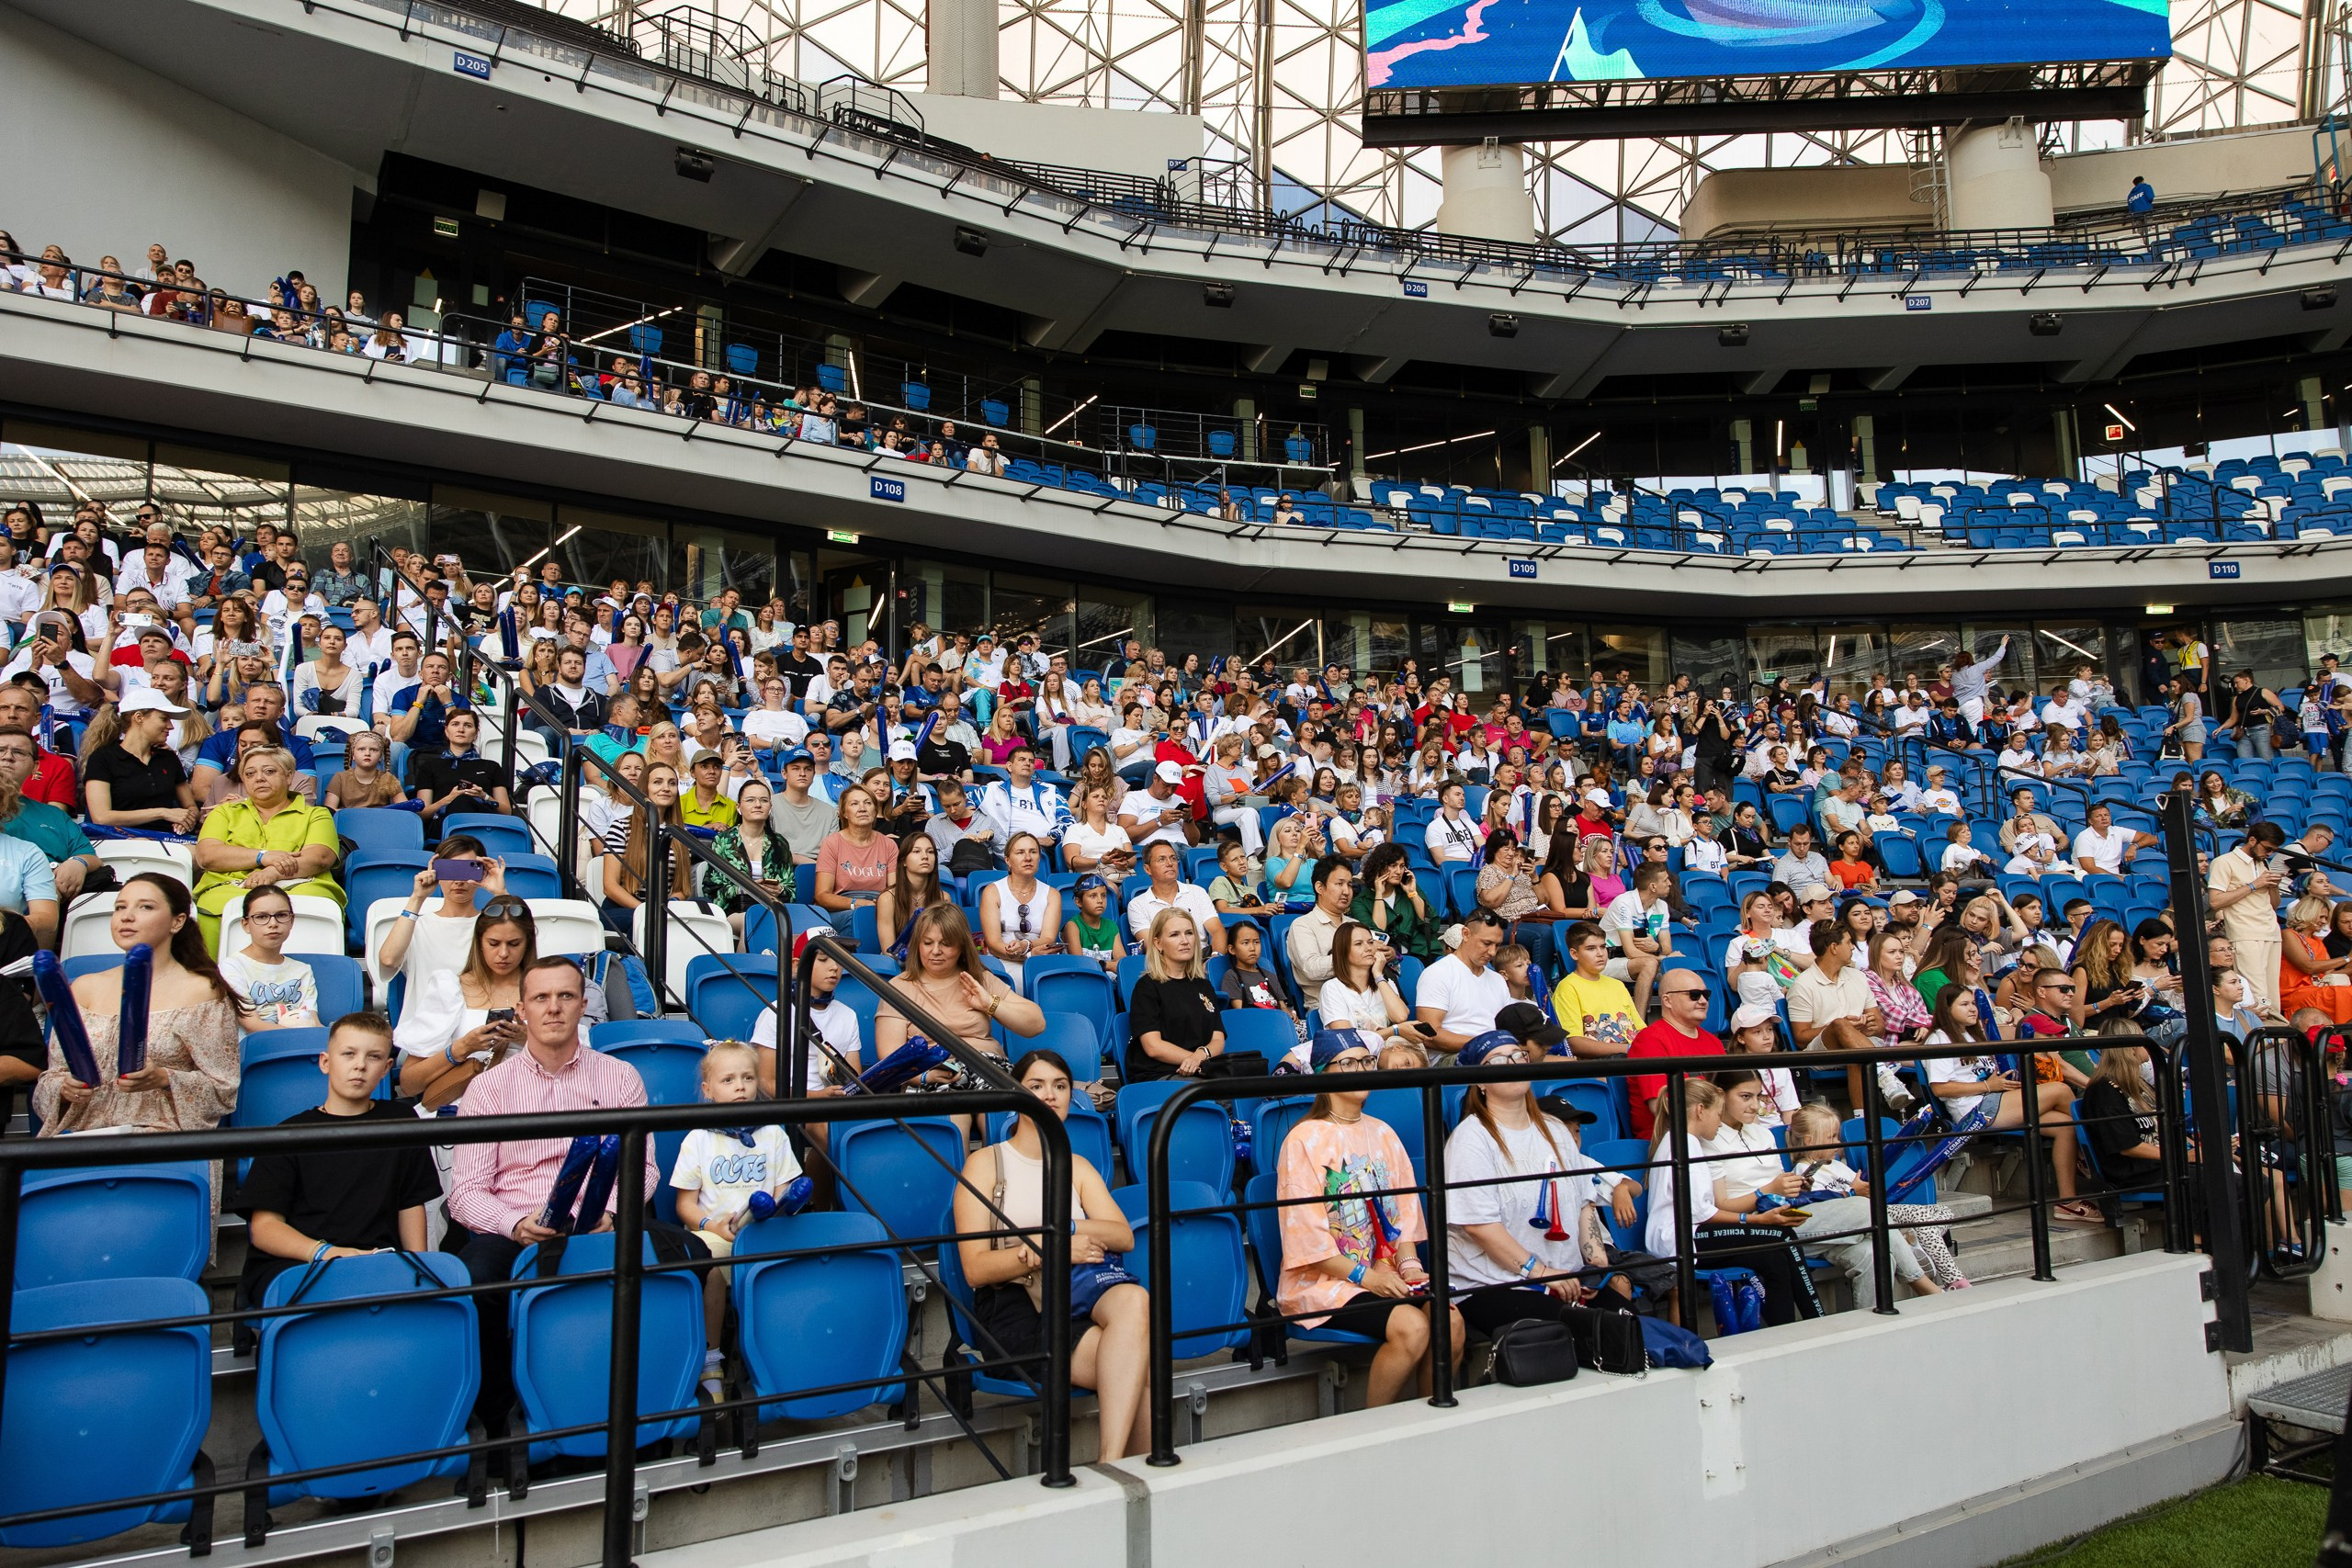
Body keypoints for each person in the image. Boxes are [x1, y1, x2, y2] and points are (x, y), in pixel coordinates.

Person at [445, 957, 683, 1427]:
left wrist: (611, 1212)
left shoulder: (619, 1077)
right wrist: (513, 1224)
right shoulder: (489, 1089)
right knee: (477, 1278)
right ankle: (497, 1422)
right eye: (541, 998)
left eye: (566, 996)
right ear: (522, 1011)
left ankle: (656, 1398)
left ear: (583, 1005)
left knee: (686, 1255)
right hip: (518, 1226)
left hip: (599, 1221)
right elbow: (466, 1192)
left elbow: (644, 1168)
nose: (553, 1008)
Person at [953, 1049, 1151, 1461]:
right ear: (1015, 1093)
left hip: (1076, 1295)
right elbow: (974, 1269)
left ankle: (1112, 1466)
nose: (1050, 1095)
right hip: (1014, 1309)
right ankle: (1129, 1475)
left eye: (1060, 1086)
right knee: (1139, 1369)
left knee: (1135, 1299)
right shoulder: (985, 1164)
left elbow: (1122, 1236)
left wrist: (1069, 1229)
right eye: (1036, 1085)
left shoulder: (1077, 1166)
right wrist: (1052, 1248)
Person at [1274, 1030, 1462, 1407]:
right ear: (1324, 1074)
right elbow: (1307, 1241)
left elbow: (1405, 1214)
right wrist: (1368, 1278)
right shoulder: (1303, 1139)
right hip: (1327, 1281)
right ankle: (1375, 1426)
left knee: (1452, 1323)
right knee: (1412, 1328)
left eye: (1365, 1061)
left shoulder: (1383, 1132)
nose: (1360, 1069)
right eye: (1347, 1063)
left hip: (1387, 1272)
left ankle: (1432, 1420)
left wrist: (1408, 1267)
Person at [232, 1011, 441, 1310]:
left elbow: (409, 1204)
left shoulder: (401, 1120)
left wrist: (417, 1270)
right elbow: (265, 1228)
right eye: (348, 1054)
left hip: (375, 1259)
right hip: (299, 1263)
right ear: (325, 1062)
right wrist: (328, 1253)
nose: (359, 1065)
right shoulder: (287, 1134)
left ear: (386, 1068)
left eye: (373, 1057)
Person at [33, 874, 244, 1161]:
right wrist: (64, 1088)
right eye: (120, 907)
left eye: (145, 907)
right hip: (81, 1139)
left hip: (163, 1144)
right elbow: (51, 1077)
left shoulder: (202, 992)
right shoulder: (83, 987)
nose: (127, 917)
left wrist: (163, 1078)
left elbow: (223, 1089)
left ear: (177, 921)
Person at [1443, 1030, 1626, 1334]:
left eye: (1518, 1056)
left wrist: (1595, 1265)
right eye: (1498, 1061)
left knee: (1629, 1322)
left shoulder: (1555, 1129)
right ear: (1480, 1081)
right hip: (1494, 1285)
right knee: (1592, 1333)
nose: (1513, 1064)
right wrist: (1540, 1272)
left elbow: (1584, 1202)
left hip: (1565, 1276)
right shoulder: (1470, 1139)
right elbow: (1479, 1226)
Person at [1705, 1070, 1939, 1301]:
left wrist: (1797, 1187)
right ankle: (1922, 1284)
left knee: (1874, 1252)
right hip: (1758, 1224)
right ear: (1721, 1094)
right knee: (1863, 1207)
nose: (1755, 1106)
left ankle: (1870, 1327)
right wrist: (1768, 1191)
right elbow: (1719, 1207)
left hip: (1790, 1213)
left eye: (1759, 1097)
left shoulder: (1763, 1135)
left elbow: (1780, 1190)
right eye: (1746, 1097)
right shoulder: (1709, 1140)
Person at [670, 1041, 803, 1399]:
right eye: (728, 1080)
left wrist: (782, 1204)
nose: (740, 1086)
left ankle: (776, 1356)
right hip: (713, 1234)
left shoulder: (773, 1133)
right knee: (709, 1271)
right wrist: (710, 1225)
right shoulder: (698, 1138)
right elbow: (685, 1205)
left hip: (762, 1229)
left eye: (747, 1077)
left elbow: (782, 1188)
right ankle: (712, 1359)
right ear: (708, 1090)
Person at [1645, 1079, 1818, 1329]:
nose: (1719, 1121)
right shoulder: (1683, 1144)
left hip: (1693, 1234)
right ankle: (1815, 1320)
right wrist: (1757, 1220)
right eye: (1717, 1114)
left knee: (1774, 1259)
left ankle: (1785, 1331)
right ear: (1699, 1110)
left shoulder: (1688, 1141)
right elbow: (1702, 1213)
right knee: (1783, 1235)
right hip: (1682, 1239)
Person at [1919, 987, 2098, 1221]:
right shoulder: (1939, 1039)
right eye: (1964, 1005)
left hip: (1995, 1099)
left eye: (1973, 1003)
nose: (1973, 1008)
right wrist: (1987, 1087)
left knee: (2065, 1126)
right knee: (2060, 1089)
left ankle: (2067, 1203)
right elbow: (1940, 1088)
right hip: (1975, 1109)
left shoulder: (1974, 1035)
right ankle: (2094, 1140)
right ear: (1946, 1008)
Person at [394, 895, 544, 1110]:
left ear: (528, 943)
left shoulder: (548, 991)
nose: (503, 953)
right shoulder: (450, 988)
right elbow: (409, 1084)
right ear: (479, 942)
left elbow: (578, 1064)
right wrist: (462, 1048)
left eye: (514, 944)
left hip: (534, 1108)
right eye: (494, 943)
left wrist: (529, 1039)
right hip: (464, 1112)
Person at [192, 747, 342, 952]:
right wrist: (264, 857)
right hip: (230, 888)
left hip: (300, 886)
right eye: (250, 774)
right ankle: (214, 981)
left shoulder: (315, 814)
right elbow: (207, 856)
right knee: (215, 905)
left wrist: (273, 872)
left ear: (289, 776)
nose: (259, 778)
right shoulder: (225, 812)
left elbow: (319, 858)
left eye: (269, 771)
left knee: (312, 905)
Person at [81, 688, 202, 835]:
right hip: (118, 839)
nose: (170, 726)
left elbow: (190, 806)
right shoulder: (103, 758)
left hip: (168, 840)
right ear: (139, 718)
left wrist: (186, 820)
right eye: (164, 719)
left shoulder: (169, 758)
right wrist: (162, 813)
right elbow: (101, 817)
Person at [1124, 908, 1226, 1081]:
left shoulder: (1204, 985)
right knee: (1220, 1097)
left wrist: (1200, 1056)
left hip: (1200, 1070)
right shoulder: (1147, 987)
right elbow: (1153, 1047)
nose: (1185, 941)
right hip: (1160, 1074)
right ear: (1158, 944)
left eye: (1189, 933)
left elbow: (1218, 1038)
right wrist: (1195, 1061)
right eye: (1174, 935)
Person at [1624, 968, 1723, 1139]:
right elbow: (1661, 1107)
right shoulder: (1650, 1040)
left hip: (1714, 1134)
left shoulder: (1714, 1042)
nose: (1702, 1000)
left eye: (1706, 995)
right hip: (1673, 1139)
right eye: (1694, 994)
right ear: (1667, 1000)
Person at [2211, 823, 2289, 1018]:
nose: (2269, 854)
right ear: (2252, 840)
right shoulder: (2224, 862)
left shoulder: (2263, 863)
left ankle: (2276, 1040)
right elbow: (2215, 901)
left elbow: (2274, 904)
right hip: (2245, 933)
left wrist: (2273, 886)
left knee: (2272, 995)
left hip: (2271, 932)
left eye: (2273, 851)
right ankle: (2261, 1040)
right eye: (2267, 848)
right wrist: (2254, 885)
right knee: (2258, 994)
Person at [218, 884, 321, 1030]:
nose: (273, 924)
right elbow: (252, 1024)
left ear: (291, 921)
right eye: (261, 917)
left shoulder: (303, 970)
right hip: (257, 1048)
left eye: (281, 915)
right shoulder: (232, 966)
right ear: (245, 924)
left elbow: (312, 1021)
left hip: (300, 1046)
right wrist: (300, 1037)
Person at [1414, 908, 1511, 1055]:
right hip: (1451, 1056)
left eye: (1497, 945)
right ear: (1465, 934)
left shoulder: (1498, 979)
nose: (1492, 952)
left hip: (1497, 1053)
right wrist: (1486, 1044)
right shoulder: (1437, 973)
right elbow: (1429, 1036)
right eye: (1487, 943)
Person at [812, 786, 898, 940]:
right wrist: (856, 903)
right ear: (844, 813)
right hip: (843, 908)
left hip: (881, 905)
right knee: (860, 918)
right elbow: (822, 895)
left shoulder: (889, 845)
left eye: (868, 803)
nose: (862, 808)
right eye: (854, 804)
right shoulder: (832, 843)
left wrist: (882, 905)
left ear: (875, 809)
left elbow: (894, 890)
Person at [979, 831, 1061, 991]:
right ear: (1008, 861)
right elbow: (994, 944)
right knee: (1022, 980)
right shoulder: (993, 891)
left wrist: (1026, 945)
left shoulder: (1052, 894)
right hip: (1003, 960)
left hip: (1042, 958)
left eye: (1033, 852)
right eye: (1020, 852)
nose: (1028, 858)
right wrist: (1026, 954)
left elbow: (1048, 938)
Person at [1552, 920, 1641, 1059]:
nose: (1600, 954)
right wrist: (1629, 1048)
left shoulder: (1617, 985)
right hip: (1600, 1065)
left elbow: (1640, 1029)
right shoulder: (1567, 988)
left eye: (1603, 947)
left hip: (1633, 1058)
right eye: (1591, 948)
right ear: (1574, 954)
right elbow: (1574, 1043)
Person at [1126, 840, 1226, 954]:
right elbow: (1151, 946)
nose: (1169, 863)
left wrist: (1213, 960)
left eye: (1173, 858)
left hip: (1203, 960)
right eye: (1161, 859)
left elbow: (1217, 931)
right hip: (1167, 967)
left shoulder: (1197, 892)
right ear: (1147, 869)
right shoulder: (1137, 905)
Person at [1351, 842, 1441, 962]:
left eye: (1402, 866)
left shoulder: (1410, 889)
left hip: (1425, 953)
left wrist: (1412, 894)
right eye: (1393, 865)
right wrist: (1379, 894)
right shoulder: (1360, 902)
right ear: (1378, 866)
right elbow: (1378, 935)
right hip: (1390, 959)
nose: (1399, 871)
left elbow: (1432, 926)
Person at [1284, 854, 1355, 991]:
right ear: (1320, 887)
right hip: (1326, 1006)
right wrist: (1354, 957)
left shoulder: (1355, 925)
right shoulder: (1303, 925)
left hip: (1365, 1001)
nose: (1346, 891)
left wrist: (1391, 956)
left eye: (1350, 885)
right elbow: (1311, 969)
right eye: (1339, 884)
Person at [2281, 895, 2352, 1027]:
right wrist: (2347, 958)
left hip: (2317, 988)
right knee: (2344, 993)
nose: (2324, 922)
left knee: (2346, 991)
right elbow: (2308, 967)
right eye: (2321, 917)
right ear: (2309, 913)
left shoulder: (2317, 941)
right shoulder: (2289, 934)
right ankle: (2344, 1034)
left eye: (2326, 918)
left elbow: (2329, 974)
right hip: (2295, 991)